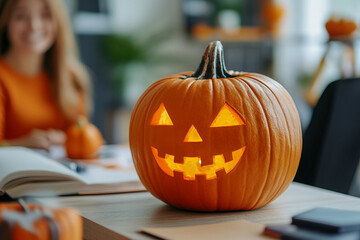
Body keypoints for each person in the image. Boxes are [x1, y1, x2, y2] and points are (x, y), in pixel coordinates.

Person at [0, 0, 92, 151]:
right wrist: (24, 144)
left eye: (45, 15)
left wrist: (64, 139)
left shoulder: (72, 77)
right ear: (6, 21)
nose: (34, 26)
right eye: (21, 16)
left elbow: (85, 139)